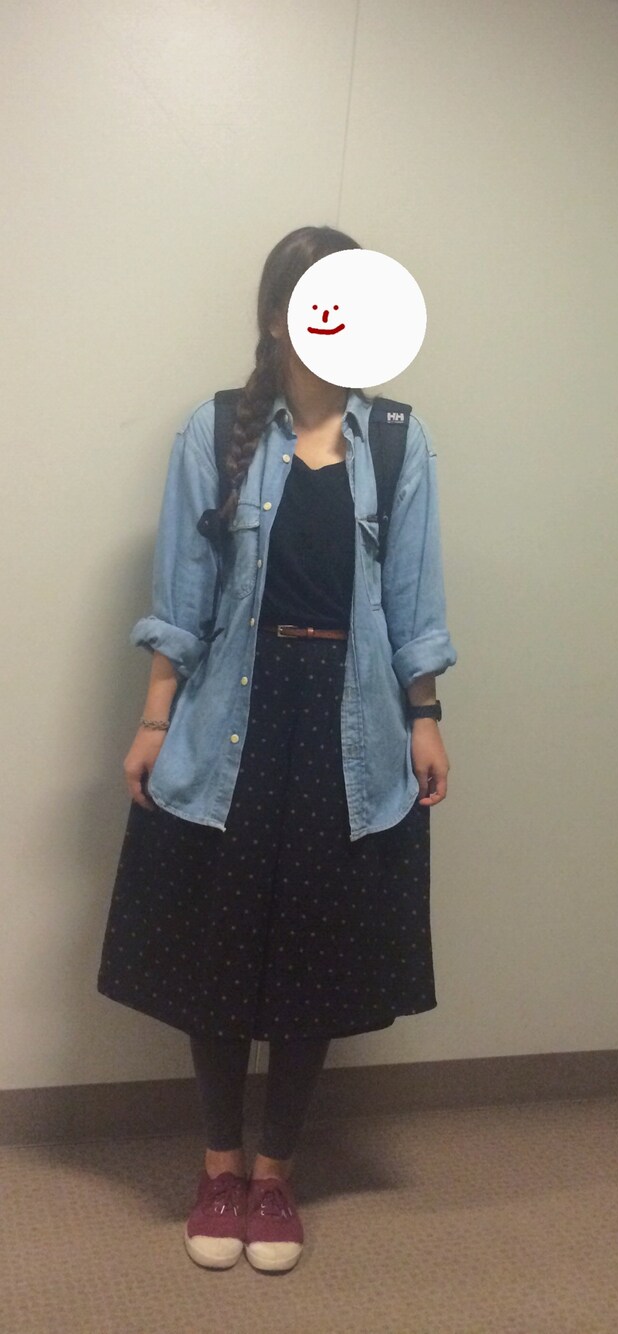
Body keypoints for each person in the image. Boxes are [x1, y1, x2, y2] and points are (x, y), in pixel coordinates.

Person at [96, 225, 457, 1274]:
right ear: (275, 316)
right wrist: (154, 724)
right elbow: (182, 598)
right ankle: (218, 1167)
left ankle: (276, 1176)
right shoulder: (216, 432)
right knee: (218, 951)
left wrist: (426, 716)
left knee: (313, 955)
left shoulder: (397, 441)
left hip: (351, 731)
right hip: (233, 723)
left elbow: (414, 598)